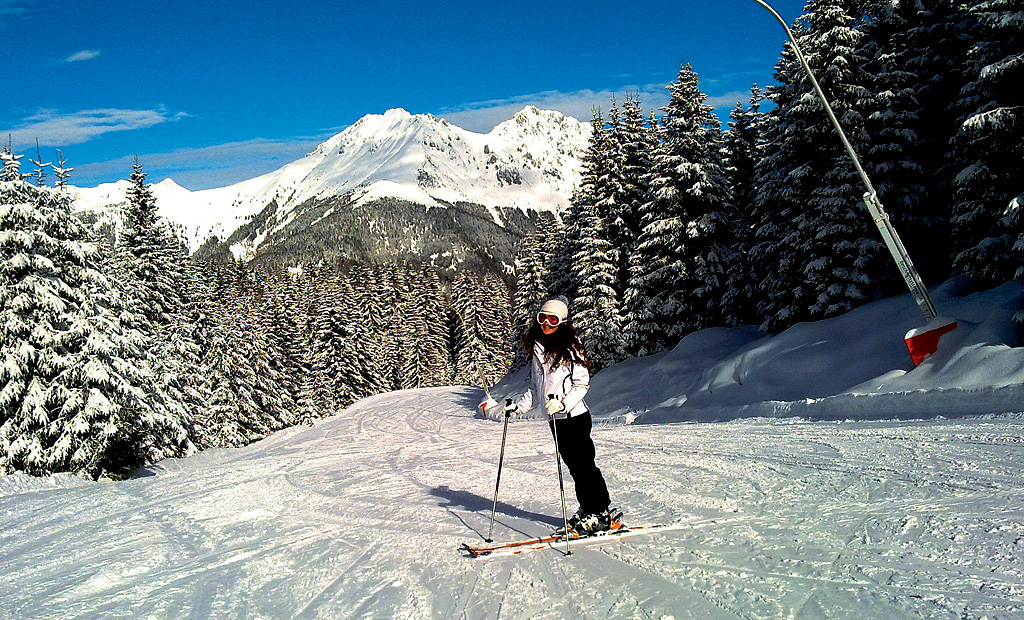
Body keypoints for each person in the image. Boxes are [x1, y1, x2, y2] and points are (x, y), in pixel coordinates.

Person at [505, 297, 619, 535]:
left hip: (575, 417)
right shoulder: (538, 348)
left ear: (562, 322)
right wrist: (519, 407)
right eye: (543, 318)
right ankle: (589, 508)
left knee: (584, 465)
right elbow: (537, 387)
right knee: (575, 467)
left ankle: (600, 512)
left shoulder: (571, 347)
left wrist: (563, 403)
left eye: (553, 319)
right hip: (555, 419)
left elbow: (582, 384)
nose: (546, 323)